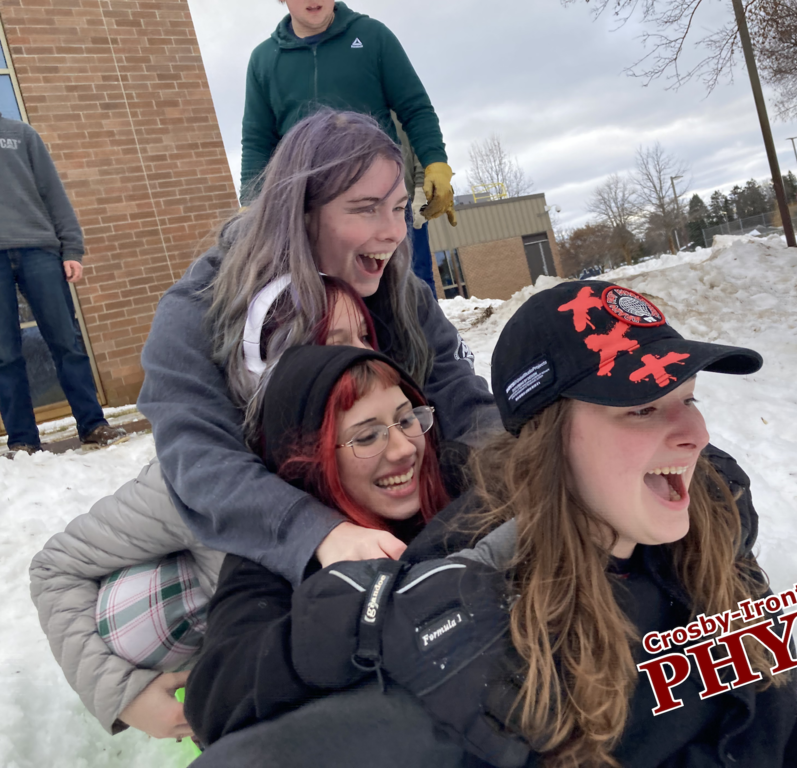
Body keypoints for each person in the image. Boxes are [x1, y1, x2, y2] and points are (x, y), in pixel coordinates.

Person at [187, 281, 797, 768]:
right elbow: (229, 702)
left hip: (696, 719)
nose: (401, 447)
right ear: (308, 454)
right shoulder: (294, 558)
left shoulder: (479, 485)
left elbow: (758, 670)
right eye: (364, 435)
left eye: (409, 420)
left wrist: (709, 496)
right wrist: (352, 620)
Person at [138, 109, 497, 592]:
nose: (393, 232)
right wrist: (316, 532)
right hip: (253, 525)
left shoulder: (398, 289)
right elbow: (199, 458)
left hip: (377, 499)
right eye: (367, 208)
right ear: (301, 214)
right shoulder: (198, 310)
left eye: (398, 208)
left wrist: (514, 467)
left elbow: (457, 394)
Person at [29, 280, 379, 741]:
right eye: (333, 343)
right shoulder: (205, 482)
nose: (363, 358)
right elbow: (55, 568)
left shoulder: (403, 442)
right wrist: (122, 695)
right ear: (271, 367)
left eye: (365, 338)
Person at [242, 1, 457, 292]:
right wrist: (252, 203)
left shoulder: (372, 36)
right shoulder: (264, 60)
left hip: (382, 200)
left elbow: (415, 108)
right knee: (328, 301)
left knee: (409, 291)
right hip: (309, 210)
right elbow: (257, 141)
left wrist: (435, 163)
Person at [0, 112, 126, 453]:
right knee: (4, 355)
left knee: (66, 342)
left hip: (38, 249)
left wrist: (72, 247)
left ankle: (93, 424)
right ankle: (23, 440)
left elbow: (52, 192)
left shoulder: (21, 134)